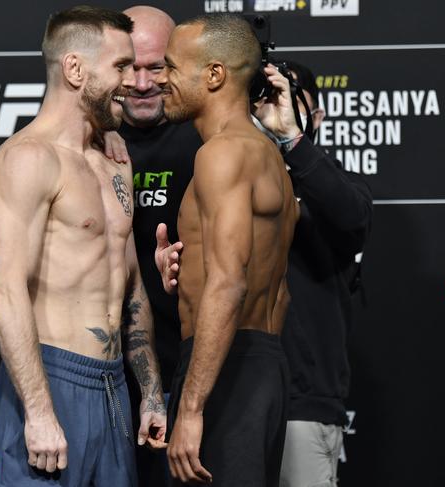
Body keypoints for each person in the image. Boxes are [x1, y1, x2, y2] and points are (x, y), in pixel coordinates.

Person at [0, 6, 166, 486]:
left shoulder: (113, 161)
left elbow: (129, 281)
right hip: (52, 378)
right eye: (120, 66)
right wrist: (39, 411)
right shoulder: (27, 159)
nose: (132, 81)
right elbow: (4, 289)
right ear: (75, 69)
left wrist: (148, 391)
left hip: (113, 387)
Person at [155, 14, 299, 486]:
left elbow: (230, 282)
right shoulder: (267, 154)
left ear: (214, 75)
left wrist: (192, 408)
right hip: (260, 364)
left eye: (171, 68)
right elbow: (270, 283)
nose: (161, 80)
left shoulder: (221, 154)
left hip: (226, 370)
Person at [254, 61, 373, 487]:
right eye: (263, 97)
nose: (273, 108)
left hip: (303, 401)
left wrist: (291, 138)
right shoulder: (223, 177)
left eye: (287, 97)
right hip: (230, 395)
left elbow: (351, 219)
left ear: (317, 117)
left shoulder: (340, 185)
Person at [115, 6, 202, 486]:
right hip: (103, 382)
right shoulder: (85, 143)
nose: (143, 83)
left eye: (156, 67)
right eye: (130, 67)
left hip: (188, 380)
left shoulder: (208, 140)